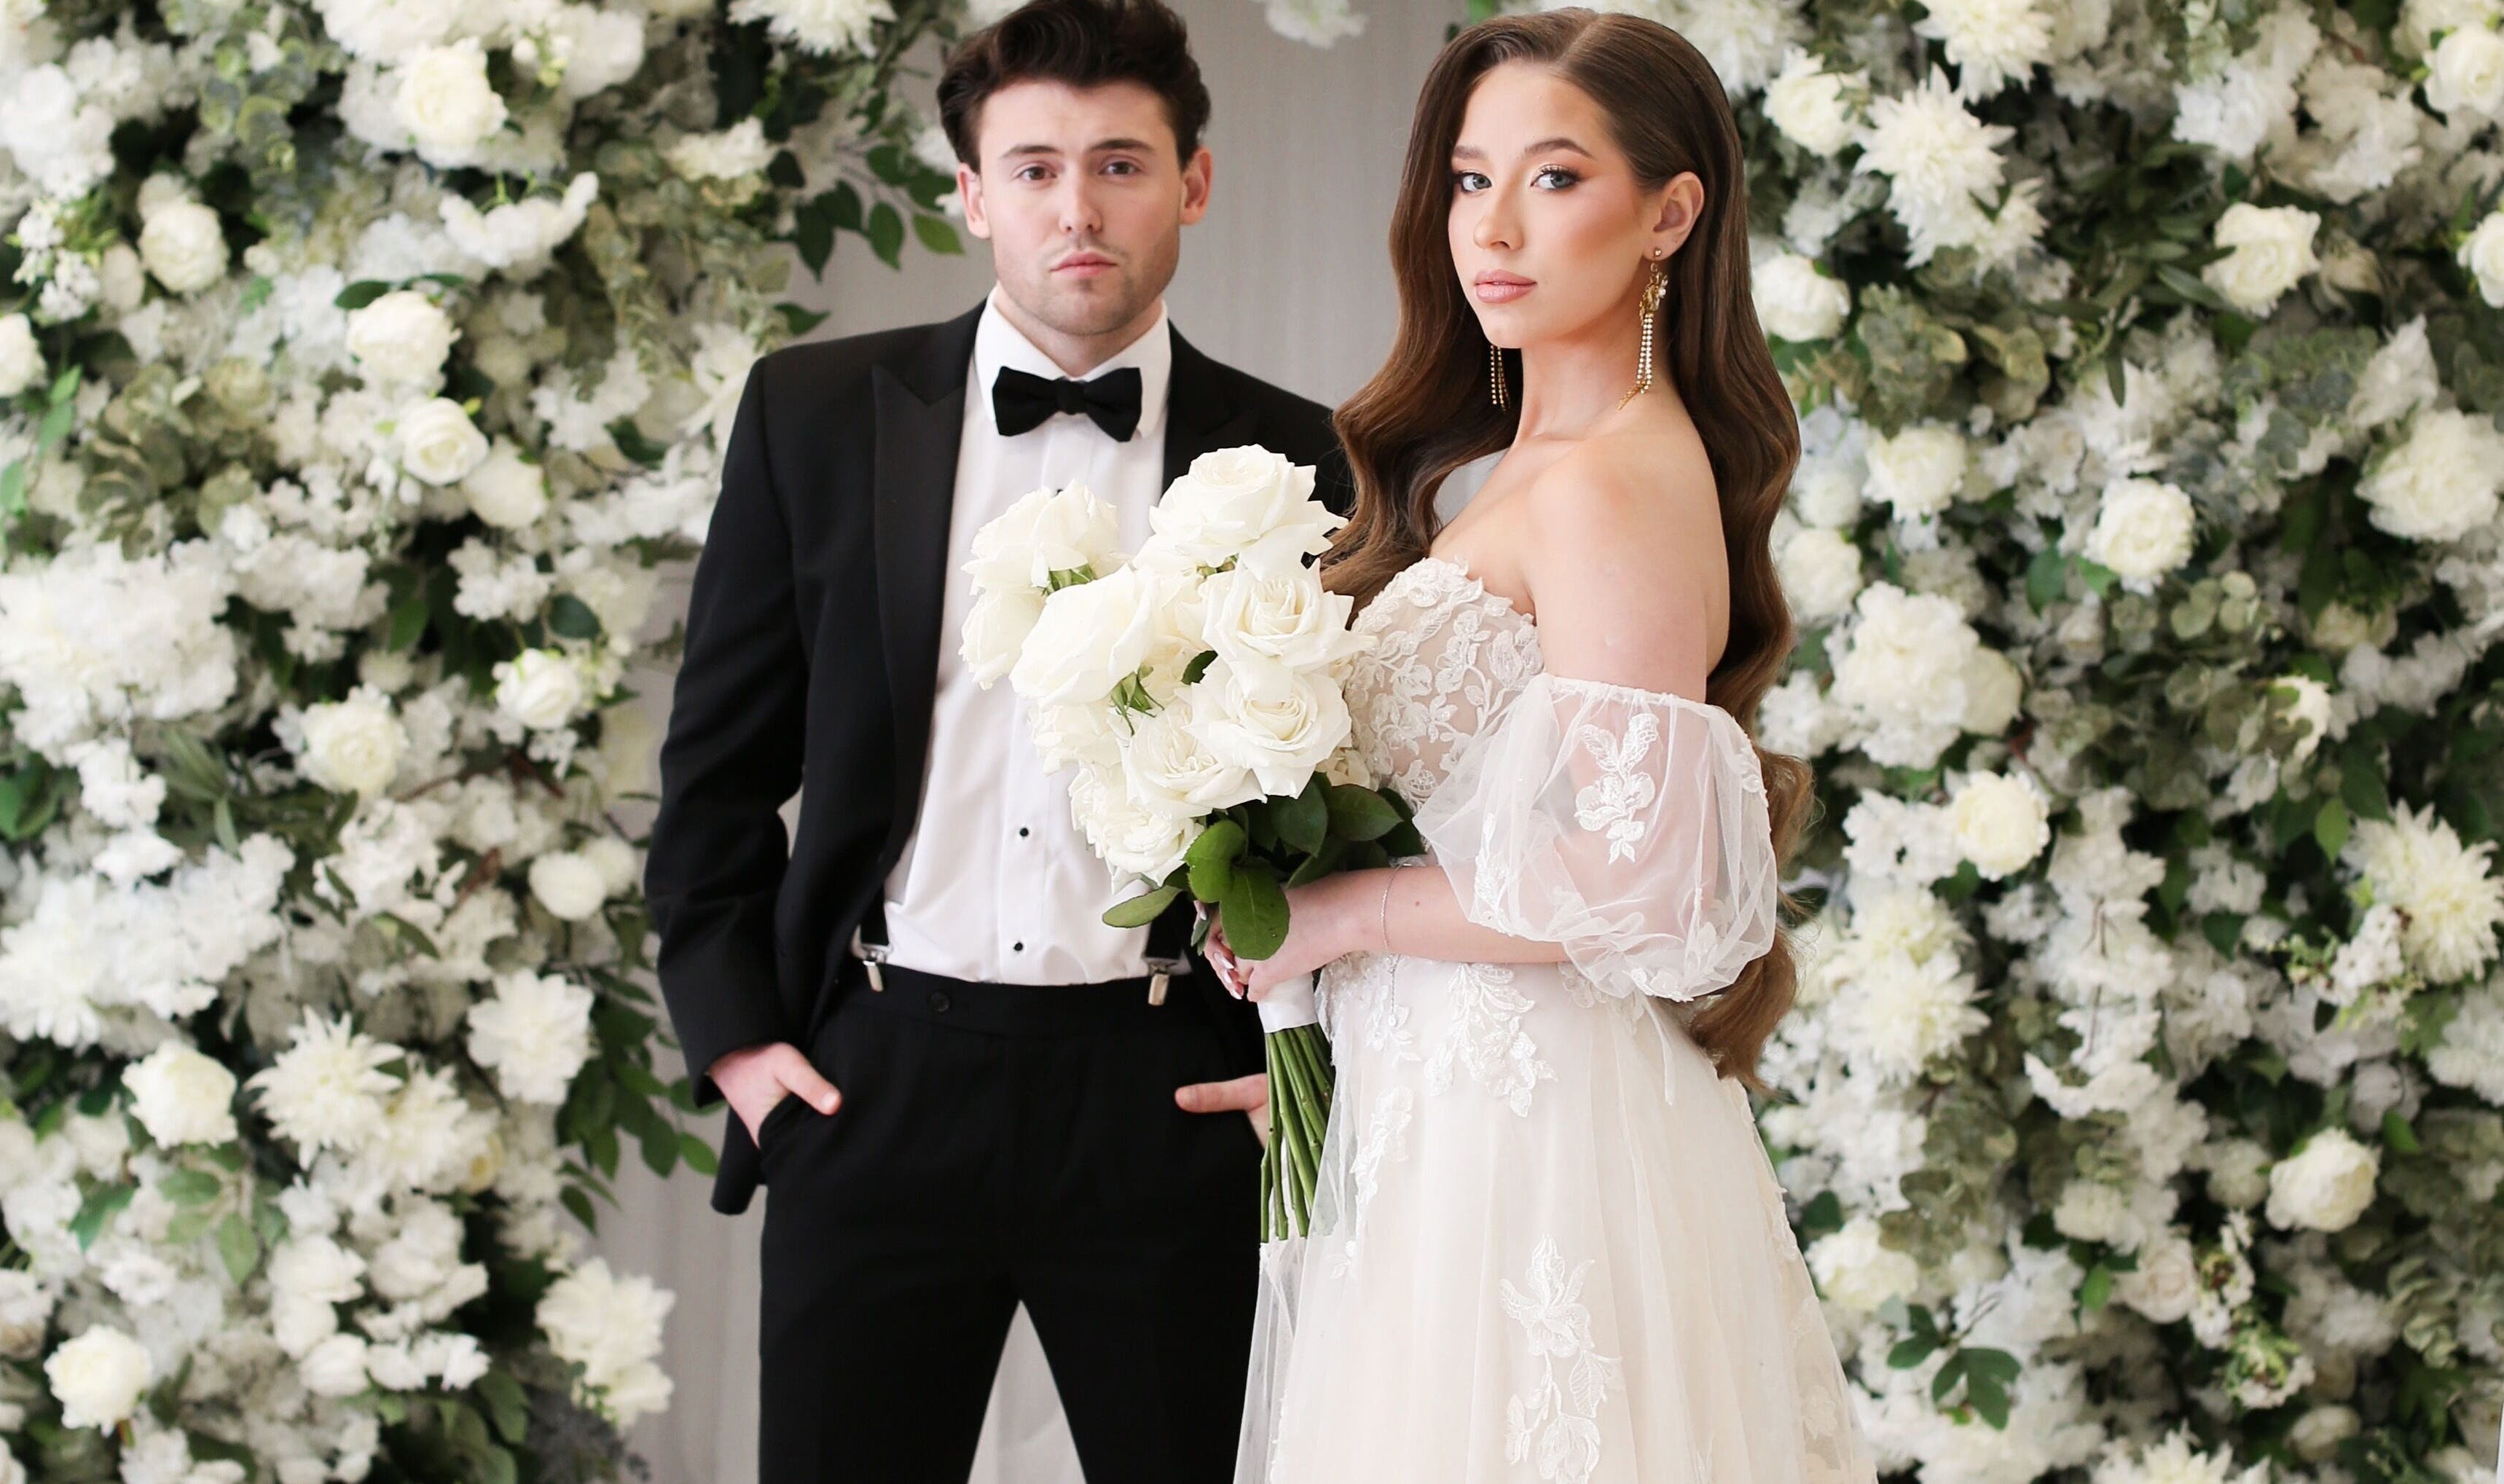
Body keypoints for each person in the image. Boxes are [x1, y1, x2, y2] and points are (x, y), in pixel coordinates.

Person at [643, 1, 1349, 1480]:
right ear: (971, 194)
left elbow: (1360, 802)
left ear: (1195, 183)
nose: (1075, 209)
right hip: (877, 1078)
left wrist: (1292, 1081)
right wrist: (746, 1048)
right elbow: (715, 773)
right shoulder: (815, 415)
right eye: (1031, 168)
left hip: (1169, 1096)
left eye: (1120, 163)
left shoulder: (1303, 458)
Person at [1201, 12, 1879, 1481]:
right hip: (1435, 1100)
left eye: (1554, 178)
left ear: (1670, 212)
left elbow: (1641, 882)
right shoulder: (1525, 472)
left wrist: (1336, 915)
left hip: (1532, 1139)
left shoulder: (1614, 480)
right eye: (1466, 178)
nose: (1491, 228)